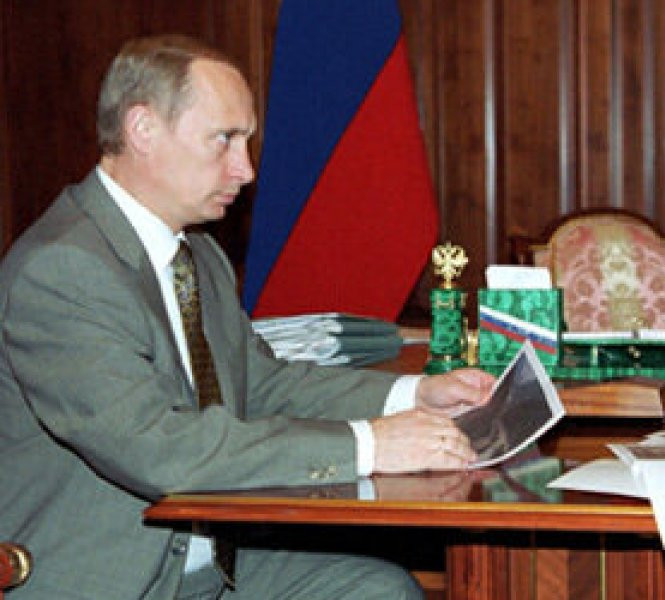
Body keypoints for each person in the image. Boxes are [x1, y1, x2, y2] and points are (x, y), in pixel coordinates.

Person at [0, 34, 496, 599]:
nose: (245, 170)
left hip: (209, 559)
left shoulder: (197, 255)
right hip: (111, 577)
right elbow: (156, 446)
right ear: (142, 130)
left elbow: (262, 385)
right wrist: (368, 446)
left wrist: (414, 396)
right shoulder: (62, 270)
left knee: (376, 589)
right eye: (225, 140)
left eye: (246, 142)